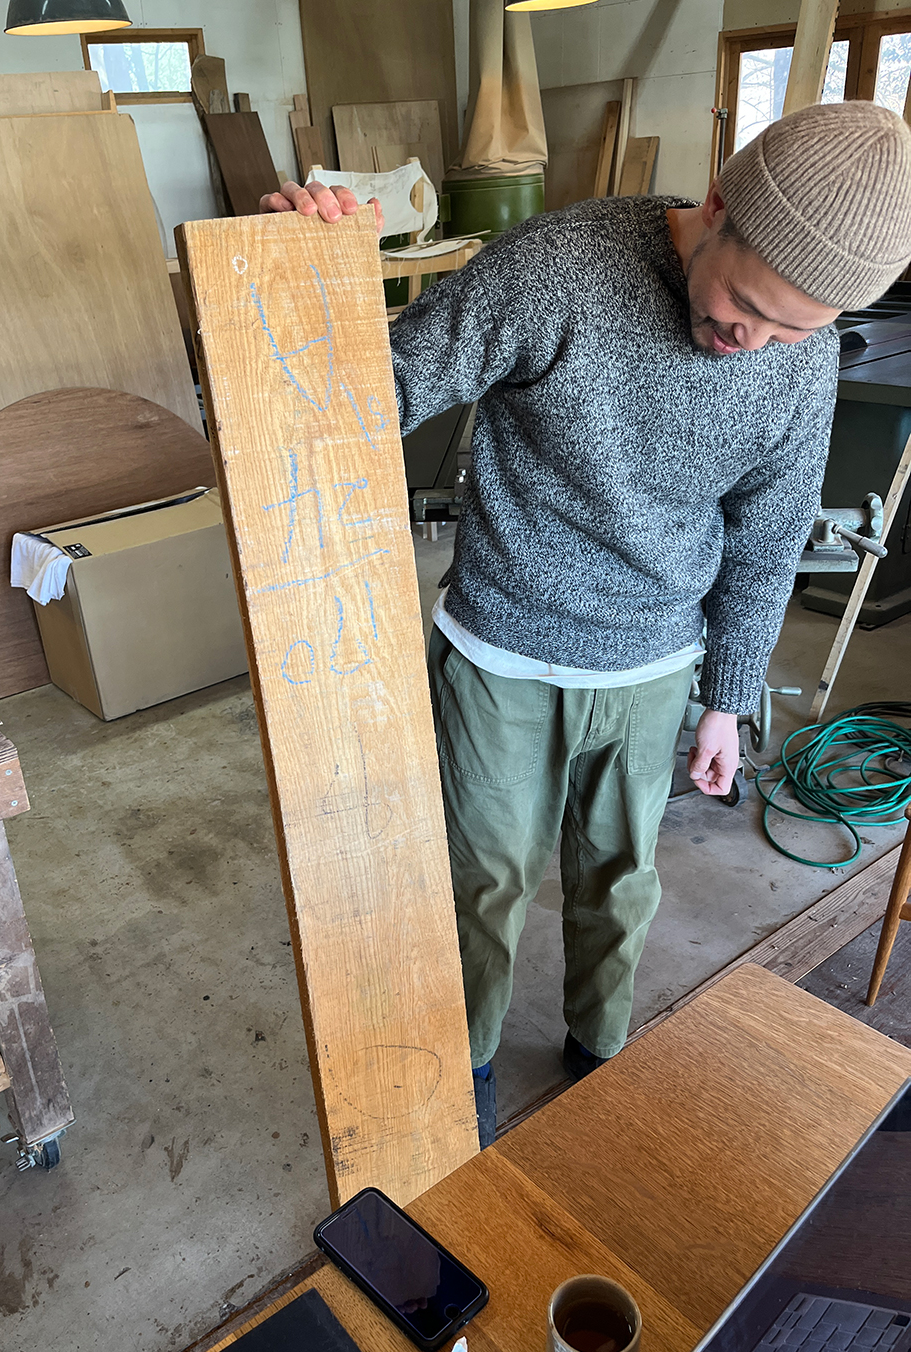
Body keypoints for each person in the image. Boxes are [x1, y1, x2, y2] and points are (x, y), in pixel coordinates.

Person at [261, 102, 911, 1146]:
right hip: (501, 653)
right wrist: (302, 274)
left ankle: (598, 1051)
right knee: (484, 880)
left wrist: (726, 698)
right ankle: (467, 1060)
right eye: (747, 304)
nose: (753, 342)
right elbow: (360, 398)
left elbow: (768, 536)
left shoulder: (801, 357)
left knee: (620, 882)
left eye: (794, 328)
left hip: (653, 665)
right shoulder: (555, 268)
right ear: (717, 205)